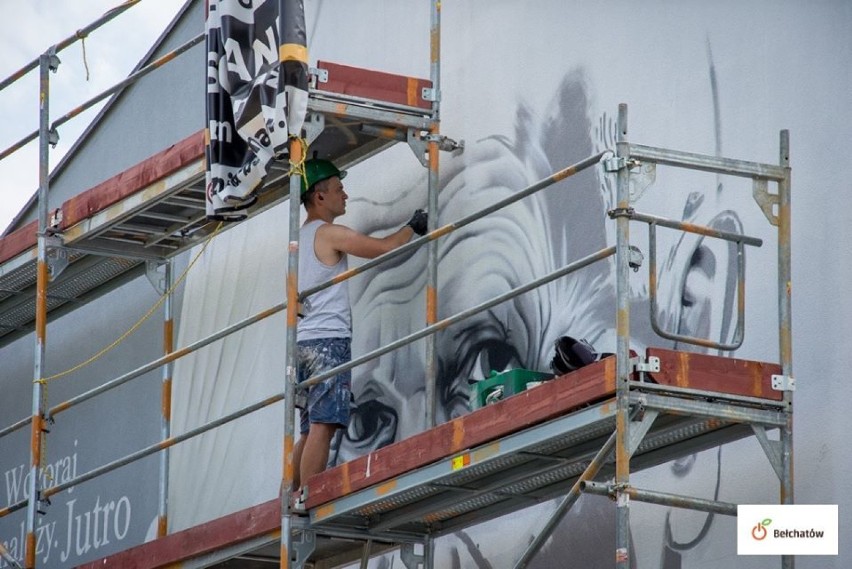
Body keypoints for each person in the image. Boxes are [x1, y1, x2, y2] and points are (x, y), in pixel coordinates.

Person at [292, 158, 428, 494]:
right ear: (318, 197)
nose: (346, 195)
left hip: (303, 343)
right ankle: (307, 498)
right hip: (329, 343)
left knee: (309, 429)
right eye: (339, 189)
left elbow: (292, 300)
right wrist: (413, 226)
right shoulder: (328, 234)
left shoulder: (296, 241)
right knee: (323, 425)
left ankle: (292, 495)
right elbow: (382, 249)